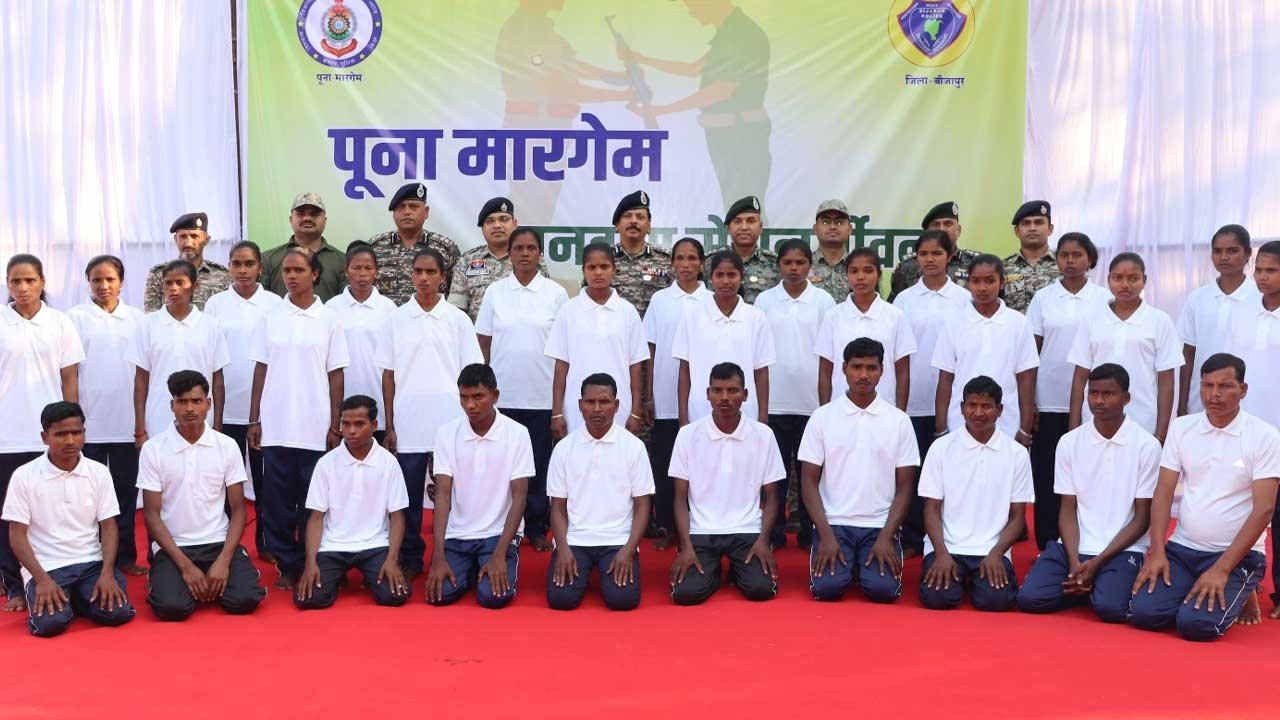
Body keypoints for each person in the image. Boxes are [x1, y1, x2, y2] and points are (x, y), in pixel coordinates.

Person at [1129, 353, 1279, 641]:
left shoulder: (1265, 436)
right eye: (1207, 385)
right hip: (1183, 549)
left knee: (1196, 626)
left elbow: (1264, 509)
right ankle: (1212, 587)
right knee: (1145, 614)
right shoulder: (1182, 428)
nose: (1214, 394)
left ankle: (1240, 586)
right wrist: (1157, 552)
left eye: (1225, 386)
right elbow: (1163, 491)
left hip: (1236, 556)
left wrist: (1222, 569)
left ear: (1243, 390)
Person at [1017, 363, 1159, 621]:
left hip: (1123, 549)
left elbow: (1142, 518)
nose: (1099, 400)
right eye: (1093, 393)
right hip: (1073, 547)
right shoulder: (1069, 442)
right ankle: (1087, 583)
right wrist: (1074, 561)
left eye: (1108, 394)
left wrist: (1098, 562)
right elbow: (1067, 509)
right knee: (1030, 598)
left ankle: (1091, 585)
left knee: (1110, 608)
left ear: (1126, 398)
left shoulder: (1147, 446)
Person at [247, 246, 350, 589]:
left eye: (299, 270)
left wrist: (335, 423)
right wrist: (254, 419)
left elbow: (336, 374)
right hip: (276, 426)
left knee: (313, 500)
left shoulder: (330, 318)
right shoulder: (271, 316)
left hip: (315, 426)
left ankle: (313, 563)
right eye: (287, 271)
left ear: (315, 274)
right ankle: (288, 565)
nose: (291, 276)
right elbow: (261, 369)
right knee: (277, 504)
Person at [377, 248, 484, 574]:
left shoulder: (457, 320)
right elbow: (388, 375)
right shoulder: (396, 319)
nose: (424, 278)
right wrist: (390, 424)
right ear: (411, 275)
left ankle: (453, 553)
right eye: (418, 272)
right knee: (408, 496)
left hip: (451, 421)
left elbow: (472, 373)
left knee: (453, 493)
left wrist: (470, 419)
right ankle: (410, 557)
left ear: (443, 277)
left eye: (431, 272)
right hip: (409, 422)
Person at [618, 0, 771, 209]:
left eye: (691, 5)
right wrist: (638, 58)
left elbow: (722, 90)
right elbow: (692, 69)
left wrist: (662, 110)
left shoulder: (741, 34)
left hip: (740, 134)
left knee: (744, 205)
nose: (691, 12)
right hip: (730, 133)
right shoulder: (730, 33)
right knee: (736, 203)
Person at [138, 371, 266, 620]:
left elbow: (239, 509)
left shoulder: (226, 445)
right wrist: (186, 567)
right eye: (182, 401)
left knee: (245, 600)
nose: (189, 408)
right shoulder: (153, 449)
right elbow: (151, 514)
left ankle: (227, 576)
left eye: (196, 401)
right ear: (172, 405)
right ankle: (175, 580)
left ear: (208, 404)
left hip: (218, 543)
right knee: (172, 608)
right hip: (174, 547)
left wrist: (224, 561)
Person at [800, 338, 919, 603]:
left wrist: (887, 536)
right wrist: (825, 535)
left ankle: (860, 564)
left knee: (883, 591)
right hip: (834, 523)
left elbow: (905, 487)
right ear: (844, 368)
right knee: (827, 589)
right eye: (856, 367)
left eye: (871, 368)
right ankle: (850, 563)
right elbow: (808, 481)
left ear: (882, 371)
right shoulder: (822, 417)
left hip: (879, 525)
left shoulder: (899, 421)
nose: (863, 375)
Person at [2, 402, 134, 636]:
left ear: (84, 433)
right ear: (45, 437)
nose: (70, 440)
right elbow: (17, 534)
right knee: (50, 625)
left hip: (92, 565)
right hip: (47, 567)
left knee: (118, 613)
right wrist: (41, 579)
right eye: (61, 434)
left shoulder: (99, 472)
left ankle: (76, 597)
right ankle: (75, 599)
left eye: (76, 432)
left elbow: (109, 526)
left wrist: (107, 573)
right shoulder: (24, 476)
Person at [476, 228, 568, 553]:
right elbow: (483, 342)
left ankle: (537, 527)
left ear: (540, 253)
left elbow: (564, 349)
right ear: (510, 253)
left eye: (531, 248)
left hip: (542, 396)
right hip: (503, 397)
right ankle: (505, 526)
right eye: (519, 248)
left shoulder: (556, 293)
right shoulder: (495, 292)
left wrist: (557, 405)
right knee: (504, 466)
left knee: (539, 466)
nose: (525, 253)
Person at [1, 255, 84, 613]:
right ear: (7, 283)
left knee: (49, 512)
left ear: (42, 282)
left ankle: (57, 575)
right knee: (11, 516)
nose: (22, 288)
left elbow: (70, 378)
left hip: (51, 436)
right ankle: (14, 585)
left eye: (29, 280)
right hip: (7, 436)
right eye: (15, 281)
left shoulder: (60, 322)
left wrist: (71, 428)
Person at [668, 362, 785, 605]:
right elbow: (679, 496)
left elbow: (772, 496)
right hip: (701, 530)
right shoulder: (687, 435)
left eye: (732, 390)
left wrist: (764, 540)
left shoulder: (763, 435)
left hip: (747, 529)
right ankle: (713, 574)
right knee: (686, 594)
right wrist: (686, 546)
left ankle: (735, 571)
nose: (724, 398)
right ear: (707, 394)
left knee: (760, 590)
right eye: (717, 390)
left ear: (745, 394)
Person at [1024, 233, 1111, 549]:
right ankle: (1048, 544)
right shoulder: (1043, 298)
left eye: (1077, 255)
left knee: (1089, 474)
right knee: (1047, 474)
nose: (1071, 261)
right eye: (1064, 255)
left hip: (1093, 402)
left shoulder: (1104, 299)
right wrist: (1030, 403)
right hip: (1049, 400)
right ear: (1057, 259)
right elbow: (1030, 354)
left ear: (1090, 259)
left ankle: (1088, 541)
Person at [918, 376, 1033, 611]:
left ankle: (977, 579)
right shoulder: (941, 448)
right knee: (937, 598)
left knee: (995, 601)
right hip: (947, 546)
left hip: (991, 548)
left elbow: (1018, 516)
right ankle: (959, 576)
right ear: (962, 408)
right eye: (972, 405)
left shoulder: (1017, 454)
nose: (978, 413)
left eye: (986, 406)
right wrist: (940, 553)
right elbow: (931, 508)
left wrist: (997, 553)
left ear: (999, 410)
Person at [426, 364, 534, 608]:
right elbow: (442, 496)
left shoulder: (517, 433)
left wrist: (499, 555)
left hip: (498, 535)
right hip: (458, 535)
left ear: (495, 396)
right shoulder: (446, 433)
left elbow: (520, 498)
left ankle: (485, 565)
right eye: (463, 397)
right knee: (439, 595)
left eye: (478, 397)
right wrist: (437, 557)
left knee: (493, 598)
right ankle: (471, 568)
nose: (470, 405)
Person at [546, 373, 654, 611]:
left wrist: (629, 549)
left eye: (604, 402)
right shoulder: (564, 449)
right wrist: (562, 548)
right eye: (590, 402)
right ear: (580, 405)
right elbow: (558, 507)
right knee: (561, 600)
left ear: (616, 405)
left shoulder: (633, 447)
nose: (597, 409)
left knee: (622, 600)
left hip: (618, 540)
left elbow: (642, 505)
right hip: (575, 539)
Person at [891, 230, 969, 554]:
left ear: (949, 256)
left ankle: (948, 538)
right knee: (911, 472)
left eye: (937, 253)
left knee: (946, 474)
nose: (930, 259)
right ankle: (910, 536)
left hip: (950, 403)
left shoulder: (964, 299)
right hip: (912, 399)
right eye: (923, 254)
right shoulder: (904, 300)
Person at [68, 255, 146, 576]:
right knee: (90, 496)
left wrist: (142, 423)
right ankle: (93, 558)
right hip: (91, 424)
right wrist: (75, 421)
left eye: (110, 279)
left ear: (121, 282)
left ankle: (125, 556)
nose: (103, 286)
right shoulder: (75, 318)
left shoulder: (138, 319)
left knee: (126, 493)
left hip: (128, 424)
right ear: (88, 282)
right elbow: (70, 372)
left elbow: (144, 372)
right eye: (96, 280)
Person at [204, 241, 282, 560]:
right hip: (225, 411)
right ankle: (224, 545)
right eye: (236, 264)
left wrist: (264, 412)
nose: (243, 270)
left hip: (264, 411)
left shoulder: (275, 304)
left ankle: (268, 543)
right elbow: (210, 357)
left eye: (249, 264)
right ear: (229, 268)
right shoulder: (215, 305)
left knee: (266, 484)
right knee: (224, 484)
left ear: (260, 268)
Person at [295, 395, 411, 609]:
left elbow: (397, 516)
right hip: (333, 545)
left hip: (376, 544)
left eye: (359, 424)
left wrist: (392, 559)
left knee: (395, 596)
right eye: (345, 424)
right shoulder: (326, 463)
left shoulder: (389, 463)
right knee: (309, 599)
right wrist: (310, 563)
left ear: (374, 425)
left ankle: (367, 574)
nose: (351, 431)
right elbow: (316, 517)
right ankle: (336, 576)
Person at [754, 240, 835, 548]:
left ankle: (809, 531)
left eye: (800, 262)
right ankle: (772, 531)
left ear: (809, 266)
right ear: (778, 265)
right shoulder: (764, 300)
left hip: (811, 404)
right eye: (787, 262)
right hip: (774, 402)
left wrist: (826, 404)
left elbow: (829, 354)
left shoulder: (823, 301)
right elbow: (757, 352)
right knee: (775, 473)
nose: (793, 268)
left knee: (809, 472)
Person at [1068, 252, 1181, 442]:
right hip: (1095, 421)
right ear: (1108, 280)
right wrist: (1073, 430)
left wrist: (1161, 434)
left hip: (1143, 421)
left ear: (1144, 280)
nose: (1125, 285)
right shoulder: (1092, 319)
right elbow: (1080, 377)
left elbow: (1166, 381)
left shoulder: (1160, 320)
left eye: (1133, 278)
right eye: (1118, 278)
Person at [643, 238, 712, 547]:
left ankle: (700, 526)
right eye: (680, 258)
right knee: (665, 466)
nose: (686, 264)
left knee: (701, 468)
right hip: (666, 400)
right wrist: (648, 396)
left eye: (692, 258)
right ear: (672, 263)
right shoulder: (660, 300)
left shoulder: (711, 300)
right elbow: (649, 349)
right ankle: (669, 527)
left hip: (702, 402)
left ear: (701, 264)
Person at [932, 254, 1039, 445]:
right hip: (959, 423)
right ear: (968, 284)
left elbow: (1026, 378)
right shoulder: (954, 323)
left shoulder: (1018, 323)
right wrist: (941, 428)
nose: (982, 288)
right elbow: (945, 379)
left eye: (990, 281)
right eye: (975, 281)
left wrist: (1024, 427)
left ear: (1002, 282)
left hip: (1007, 424)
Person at [1227, 240, 1280, 618]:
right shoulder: (1243, 313)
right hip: (1248, 428)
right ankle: (1244, 584)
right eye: (1259, 269)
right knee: (1242, 508)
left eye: (1271, 271)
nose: (1262, 277)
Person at [546, 243, 648, 438]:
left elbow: (635, 366)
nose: (598, 273)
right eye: (592, 267)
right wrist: (557, 412)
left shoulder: (627, 312)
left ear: (614, 269)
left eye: (604, 267)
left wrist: (635, 411)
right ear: (583, 270)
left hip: (619, 406)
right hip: (576, 406)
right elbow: (561, 366)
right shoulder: (568, 311)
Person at [129, 260, 229, 445]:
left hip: (202, 421)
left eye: (180, 283)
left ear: (195, 286)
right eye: (168, 283)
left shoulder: (210, 325)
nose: (173, 288)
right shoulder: (147, 325)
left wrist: (217, 425)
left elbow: (218, 380)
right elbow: (141, 380)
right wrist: (140, 429)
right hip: (158, 419)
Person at [673, 251, 775, 424]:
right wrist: (683, 417)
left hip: (746, 411)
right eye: (719, 275)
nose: (726, 281)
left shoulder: (756, 317)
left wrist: (763, 417)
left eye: (732, 275)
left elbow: (761, 371)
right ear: (710, 278)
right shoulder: (692, 315)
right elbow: (684, 369)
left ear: (741, 277)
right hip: (700, 410)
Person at [816, 247, 916, 410]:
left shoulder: (895, 316)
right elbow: (825, 372)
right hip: (840, 408)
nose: (861, 277)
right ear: (847, 275)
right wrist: (825, 412)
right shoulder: (833, 316)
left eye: (868, 271)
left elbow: (903, 372)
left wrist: (900, 413)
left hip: (884, 408)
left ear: (879, 274)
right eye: (854, 271)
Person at [1177, 224, 1257, 417]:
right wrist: (1182, 405)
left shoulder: (1261, 298)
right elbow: (1188, 354)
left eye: (1232, 251)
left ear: (1247, 253)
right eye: (1217, 251)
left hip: (1250, 402)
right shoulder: (1197, 298)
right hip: (1203, 401)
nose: (1224, 257)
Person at [326, 243, 396, 442]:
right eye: (356, 268)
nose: (362, 274)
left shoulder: (389, 309)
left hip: (379, 401)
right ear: (346, 270)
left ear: (376, 271)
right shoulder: (331, 308)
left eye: (368, 268)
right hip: (343, 402)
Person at [449, 197, 550, 322]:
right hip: (477, 333)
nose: (497, 225)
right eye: (490, 221)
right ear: (483, 228)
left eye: (504, 219)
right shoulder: (467, 261)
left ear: (514, 223)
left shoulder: (532, 259)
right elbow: (456, 310)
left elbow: (544, 302)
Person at [367, 182, 462, 305]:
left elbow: (457, 294)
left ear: (426, 212)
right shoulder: (375, 247)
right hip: (385, 316)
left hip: (430, 316)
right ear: (394, 213)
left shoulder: (445, 248)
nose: (407, 212)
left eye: (413, 206)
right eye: (400, 207)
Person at [260, 193, 347, 302]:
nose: (307, 218)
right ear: (291, 219)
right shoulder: (268, 259)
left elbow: (347, 303)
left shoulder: (342, 260)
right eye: (300, 214)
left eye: (314, 214)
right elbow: (260, 301)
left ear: (325, 220)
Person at [888, 202, 979, 302]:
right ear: (927, 232)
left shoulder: (976, 264)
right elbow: (895, 307)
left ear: (959, 230)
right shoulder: (908, 266)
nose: (942, 229)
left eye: (948, 224)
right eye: (936, 225)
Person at [143, 212, 230, 311]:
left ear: (206, 239)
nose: (188, 243)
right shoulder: (159, 274)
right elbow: (151, 314)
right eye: (183, 236)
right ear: (175, 239)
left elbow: (226, 312)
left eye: (194, 236)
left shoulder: (222, 275)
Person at [610, 190, 671, 317]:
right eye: (627, 216)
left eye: (640, 217)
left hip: (652, 328)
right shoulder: (603, 260)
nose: (633, 221)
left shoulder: (667, 260)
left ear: (649, 225)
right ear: (617, 225)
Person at [710, 195, 777, 303]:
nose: (744, 227)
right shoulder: (710, 261)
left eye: (751, 221)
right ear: (728, 228)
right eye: (737, 221)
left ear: (761, 227)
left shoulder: (775, 263)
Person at [1001, 201, 1061, 314]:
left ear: (1050, 229)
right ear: (1016, 231)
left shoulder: (1064, 265)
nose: (1032, 228)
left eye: (1039, 222)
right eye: (1026, 223)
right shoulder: (1003, 267)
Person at [808, 199, 854, 302]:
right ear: (815, 229)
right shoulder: (803, 266)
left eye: (839, 222)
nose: (832, 227)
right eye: (825, 222)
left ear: (850, 229)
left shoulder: (858, 268)